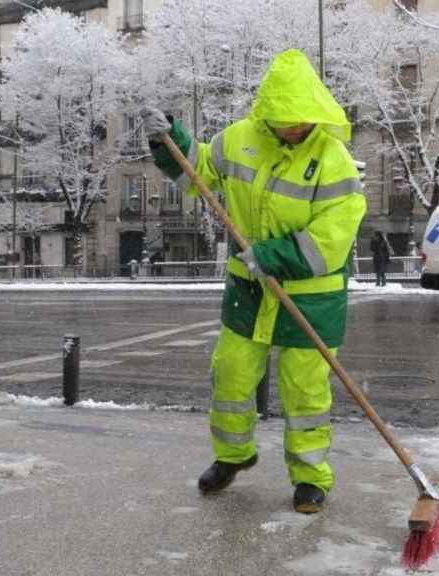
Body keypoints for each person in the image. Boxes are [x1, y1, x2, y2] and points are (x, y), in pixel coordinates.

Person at [142, 49, 366, 514]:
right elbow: (199, 170)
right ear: (266, 111)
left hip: (311, 297)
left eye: (301, 118)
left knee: (305, 393)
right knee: (231, 375)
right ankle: (233, 456)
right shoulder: (239, 139)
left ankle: (310, 478)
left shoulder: (333, 160)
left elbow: (333, 236)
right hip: (248, 290)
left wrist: (271, 255)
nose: (293, 127)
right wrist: (171, 142)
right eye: (284, 119)